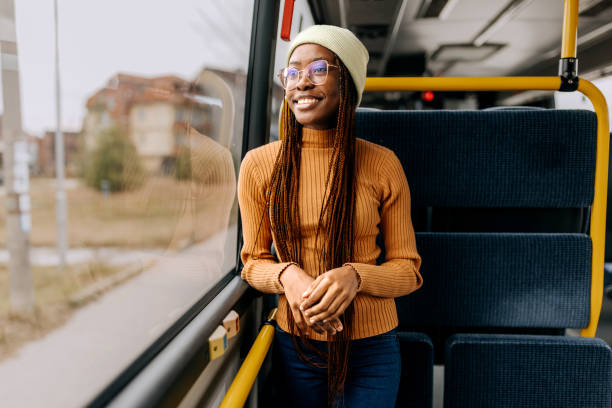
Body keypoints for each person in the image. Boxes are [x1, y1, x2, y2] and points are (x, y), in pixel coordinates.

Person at [237, 25, 422, 407]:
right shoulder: (259, 165)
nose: (301, 82)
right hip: (296, 344)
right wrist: (288, 275)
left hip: (372, 349)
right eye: (292, 72)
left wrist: (355, 276)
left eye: (319, 69)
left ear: (347, 83)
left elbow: (408, 271)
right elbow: (253, 261)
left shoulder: (382, 164)